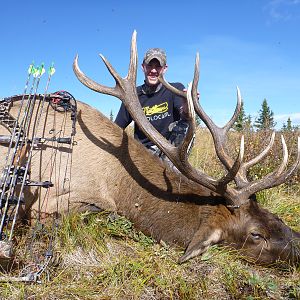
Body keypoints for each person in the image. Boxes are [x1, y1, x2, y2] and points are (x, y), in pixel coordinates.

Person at [115, 48, 189, 157]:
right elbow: (117, 127)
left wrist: (187, 106)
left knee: (186, 124)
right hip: (143, 153)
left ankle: (176, 168)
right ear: (143, 67)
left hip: (169, 152)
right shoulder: (132, 95)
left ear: (165, 68)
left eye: (158, 66)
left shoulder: (175, 89)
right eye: (149, 65)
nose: (153, 70)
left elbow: (184, 115)